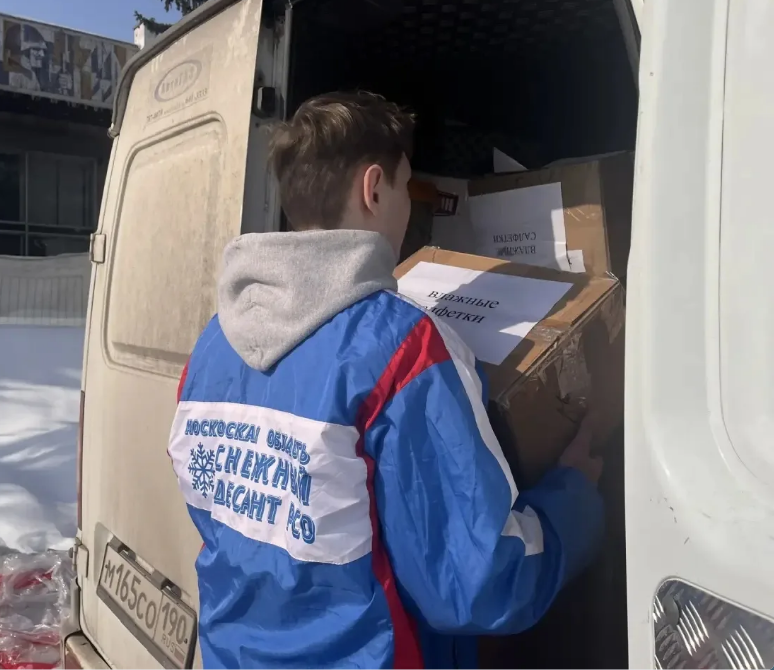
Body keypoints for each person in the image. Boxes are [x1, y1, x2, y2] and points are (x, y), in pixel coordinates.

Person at [167, 91, 604, 669]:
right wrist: (576, 499)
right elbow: (476, 582)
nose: (407, 211)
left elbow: (227, 522)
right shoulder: (402, 349)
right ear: (373, 189)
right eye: (405, 188)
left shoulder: (211, 346)